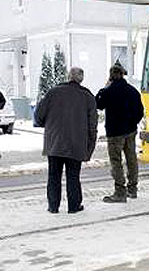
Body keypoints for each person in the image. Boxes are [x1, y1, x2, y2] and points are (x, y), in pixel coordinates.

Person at [34, 67, 97, 214]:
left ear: (68, 77)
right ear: (81, 79)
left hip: (54, 143)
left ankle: (53, 206)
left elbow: (38, 116)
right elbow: (92, 126)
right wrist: (90, 147)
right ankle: (74, 206)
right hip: (76, 144)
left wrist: (49, 125)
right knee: (73, 176)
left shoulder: (53, 92)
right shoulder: (87, 97)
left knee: (53, 175)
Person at [96, 65, 144, 203]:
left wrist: (103, 89)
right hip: (130, 131)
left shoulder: (109, 91)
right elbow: (140, 111)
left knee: (116, 161)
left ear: (111, 76)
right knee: (131, 159)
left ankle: (120, 192)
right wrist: (132, 123)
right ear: (122, 75)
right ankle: (132, 189)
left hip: (115, 132)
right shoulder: (132, 91)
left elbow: (97, 104)